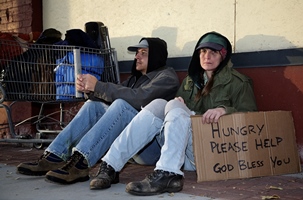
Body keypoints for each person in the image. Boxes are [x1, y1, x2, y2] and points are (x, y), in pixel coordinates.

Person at [88, 31, 257, 195]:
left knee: (172, 107)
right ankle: (110, 165)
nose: (207, 56)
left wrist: (224, 110)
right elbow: (178, 112)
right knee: (160, 104)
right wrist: (178, 102)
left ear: (223, 55)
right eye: (203, 51)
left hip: (209, 153)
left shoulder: (239, 83)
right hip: (181, 149)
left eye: (213, 52)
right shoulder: (191, 81)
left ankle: (168, 172)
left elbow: (253, 120)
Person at [16, 37, 180, 185]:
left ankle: (82, 162)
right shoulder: (134, 79)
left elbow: (140, 98)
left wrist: (99, 86)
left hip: (152, 149)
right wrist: (91, 91)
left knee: (121, 106)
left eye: (143, 53)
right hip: (128, 146)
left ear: (156, 55)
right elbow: (110, 99)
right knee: (93, 106)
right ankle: (55, 156)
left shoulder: (167, 77)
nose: (137, 56)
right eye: (137, 53)